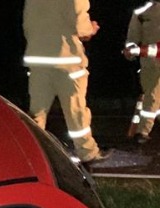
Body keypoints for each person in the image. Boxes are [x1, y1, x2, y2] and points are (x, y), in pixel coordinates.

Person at [23, 0, 111, 165]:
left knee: (36, 114)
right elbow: (81, 27)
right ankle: (87, 154)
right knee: (76, 111)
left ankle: (31, 154)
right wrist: (91, 28)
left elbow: (27, 25)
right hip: (67, 61)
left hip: (38, 60)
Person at [125, 1, 160, 144]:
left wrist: (141, 51)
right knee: (151, 97)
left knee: (152, 96)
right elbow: (132, 37)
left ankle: (142, 131)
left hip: (151, 59)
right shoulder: (141, 12)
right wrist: (130, 49)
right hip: (148, 65)